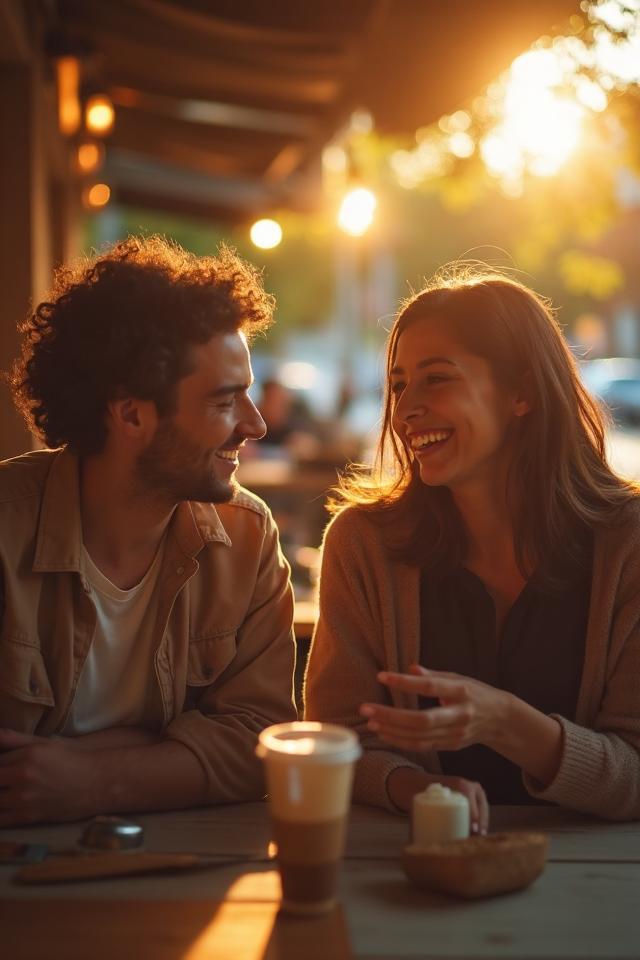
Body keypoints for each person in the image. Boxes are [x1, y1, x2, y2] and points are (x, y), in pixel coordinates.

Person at [305, 268, 640, 832]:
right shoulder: (363, 545)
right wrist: (419, 790)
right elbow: (339, 741)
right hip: (408, 872)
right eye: (398, 384)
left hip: (602, 891)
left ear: (523, 393)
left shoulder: (627, 546)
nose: (405, 408)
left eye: (436, 379)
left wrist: (506, 722)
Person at [0, 235, 297, 826]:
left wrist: (91, 778)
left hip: (180, 879)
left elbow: (264, 744)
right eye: (225, 401)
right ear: (131, 413)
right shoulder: (7, 527)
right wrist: (159, 753)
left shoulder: (247, 538)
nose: (256, 424)